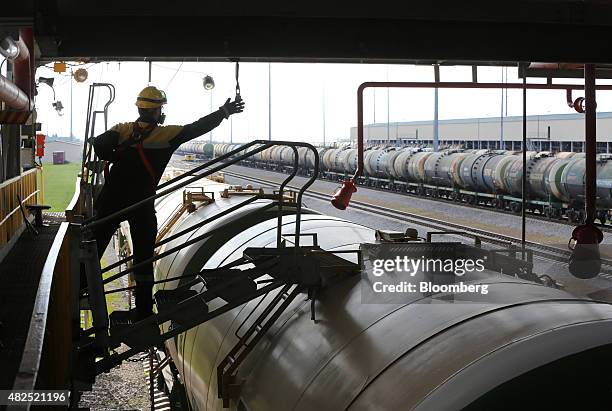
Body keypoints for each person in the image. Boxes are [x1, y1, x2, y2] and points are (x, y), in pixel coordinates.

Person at [91, 85, 245, 320]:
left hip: (111, 200)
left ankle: (81, 287)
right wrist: (224, 112)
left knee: (94, 247)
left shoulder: (121, 129)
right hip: (141, 203)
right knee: (143, 258)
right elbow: (197, 128)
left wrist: (118, 156)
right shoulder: (166, 135)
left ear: (140, 108)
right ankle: (143, 311)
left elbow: (99, 144)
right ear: (156, 112)